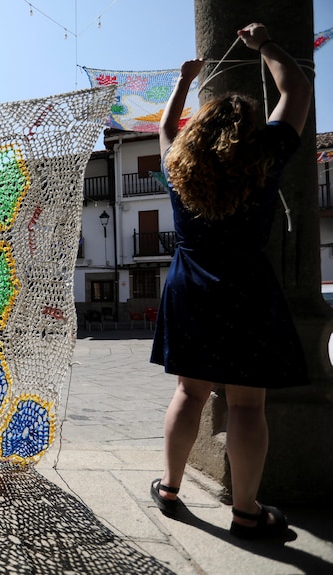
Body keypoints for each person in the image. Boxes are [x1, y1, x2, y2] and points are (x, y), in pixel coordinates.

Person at [149, 23, 311, 539]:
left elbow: (165, 126)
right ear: (252, 132)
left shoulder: (178, 164)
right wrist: (264, 43)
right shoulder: (265, 158)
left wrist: (184, 80)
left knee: (188, 393)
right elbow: (296, 89)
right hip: (245, 284)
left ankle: (170, 489)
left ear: (200, 132)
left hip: (188, 283)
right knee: (245, 403)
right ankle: (246, 511)